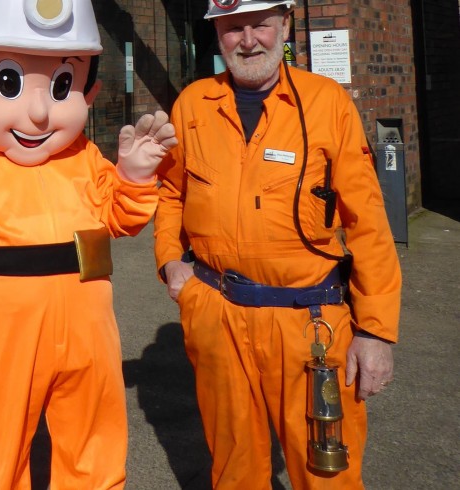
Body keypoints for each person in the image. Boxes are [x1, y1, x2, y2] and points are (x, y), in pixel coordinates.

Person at [0, 0, 176, 488]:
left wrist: (133, 178)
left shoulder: (85, 156)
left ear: (87, 92)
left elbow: (120, 219)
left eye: (61, 86)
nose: (37, 111)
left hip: (86, 334)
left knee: (93, 446)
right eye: (9, 83)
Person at [153, 1, 401, 488]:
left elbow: (368, 223)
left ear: (284, 25)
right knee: (233, 467)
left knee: (326, 470)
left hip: (309, 323)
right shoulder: (193, 105)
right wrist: (169, 262)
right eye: (232, 28)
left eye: (260, 25)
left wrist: (375, 332)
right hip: (216, 316)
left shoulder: (326, 102)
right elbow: (171, 193)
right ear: (217, 34)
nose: (248, 40)